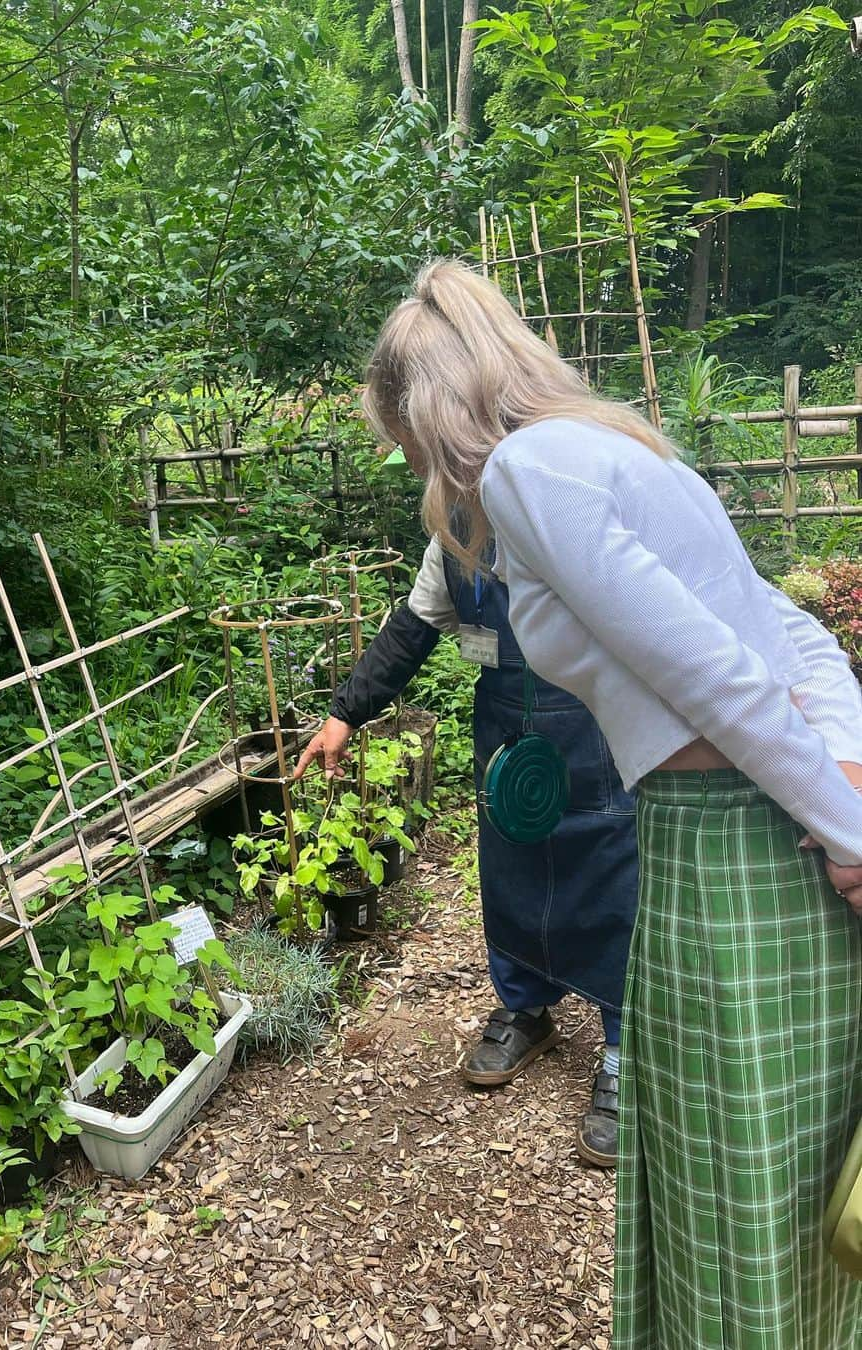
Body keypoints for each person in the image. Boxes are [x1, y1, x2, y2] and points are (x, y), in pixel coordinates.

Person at [351, 256, 862, 1349]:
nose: (411, 466)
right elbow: (789, 636)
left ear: (430, 406)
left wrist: (852, 828)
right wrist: (847, 780)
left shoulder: (530, 477)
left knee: (739, 1194)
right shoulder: (626, 452)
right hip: (755, 818)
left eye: (403, 436)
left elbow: (724, 676)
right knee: (791, 1185)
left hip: (727, 845)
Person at [294, 524, 638, 1168]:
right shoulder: (450, 541)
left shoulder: (566, 516)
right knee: (512, 874)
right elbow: (413, 629)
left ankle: (626, 1047)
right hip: (505, 732)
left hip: (596, 731)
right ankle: (526, 1007)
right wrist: (346, 711)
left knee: (610, 877)